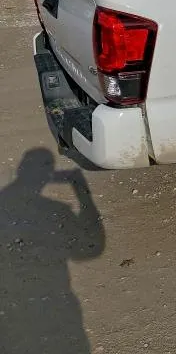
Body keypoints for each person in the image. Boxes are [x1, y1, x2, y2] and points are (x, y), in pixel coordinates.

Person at [0, 149, 105, 354]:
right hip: (56, 311)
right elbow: (90, 249)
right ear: (48, 177)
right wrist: (82, 192)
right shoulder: (58, 211)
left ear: (20, 169)